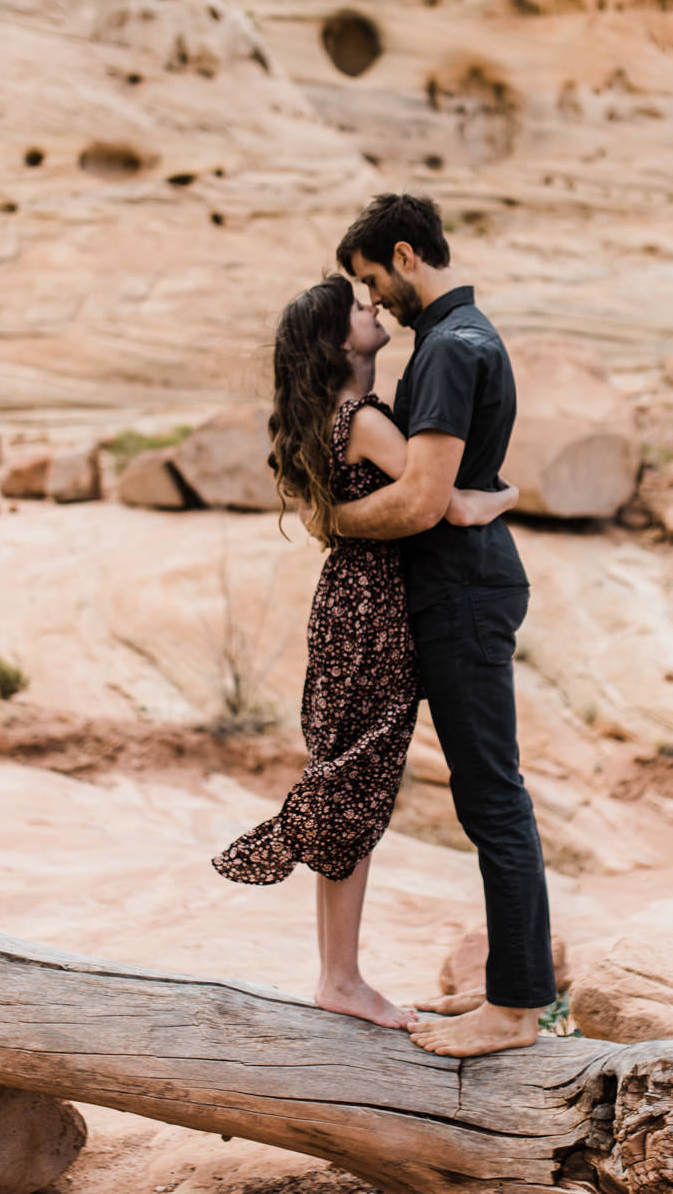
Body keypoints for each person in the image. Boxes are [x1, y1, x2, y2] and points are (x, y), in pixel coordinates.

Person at [212, 274, 517, 1033]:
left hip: (347, 604)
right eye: (358, 307)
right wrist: (499, 497)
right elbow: (439, 499)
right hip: (378, 609)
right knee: (357, 782)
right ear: (339, 341)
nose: (372, 308)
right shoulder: (362, 416)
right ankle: (341, 976)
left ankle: (336, 972)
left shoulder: (326, 416)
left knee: (347, 774)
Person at [331, 193, 556, 1059]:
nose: (373, 299)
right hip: (459, 587)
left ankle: (516, 1007)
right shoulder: (450, 343)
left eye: (371, 280)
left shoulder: (454, 349)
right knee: (486, 795)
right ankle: (509, 995)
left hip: (463, 593)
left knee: (494, 796)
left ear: (404, 253)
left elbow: (423, 499)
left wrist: (333, 521)